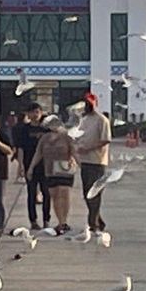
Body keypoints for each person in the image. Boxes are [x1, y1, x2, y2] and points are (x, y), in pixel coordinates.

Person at [26, 115, 77, 233]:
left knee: (64, 193)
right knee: (54, 195)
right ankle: (60, 221)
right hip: (49, 169)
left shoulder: (67, 137)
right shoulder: (44, 138)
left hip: (65, 168)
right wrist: (31, 168)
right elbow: (38, 153)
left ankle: (63, 221)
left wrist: (79, 163)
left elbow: (74, 151)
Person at [74, 93, 111, 233]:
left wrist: (88, 148)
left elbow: (105, 140)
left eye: (90, 103)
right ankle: (97, 219)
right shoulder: (84, 119)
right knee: (86, 193)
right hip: (84, 161)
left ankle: (92, 222)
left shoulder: (102, 120)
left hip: (97, 161)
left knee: (94, 192)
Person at [14, 103, 49, 231]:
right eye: (32, 112)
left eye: (37, 112)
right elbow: (21, 149)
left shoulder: (46, 128)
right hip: (30, 165)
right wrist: (21, 165)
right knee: (31, 193)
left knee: (46, 193)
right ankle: (33, 220)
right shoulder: (24, 129)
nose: (35, 115)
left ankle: (46, 220)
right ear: (27, 114)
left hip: (45, 165)